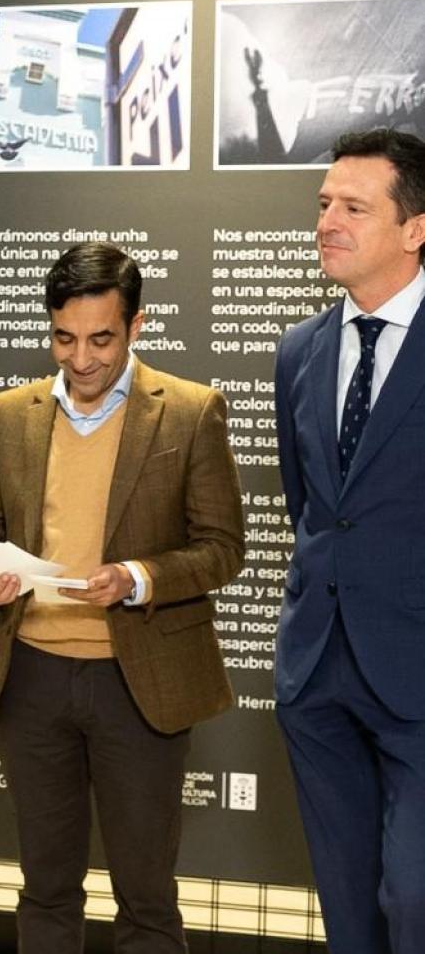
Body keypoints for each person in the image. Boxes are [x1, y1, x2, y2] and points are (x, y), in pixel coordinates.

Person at [0, 242, 243, 953]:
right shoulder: (11, 414)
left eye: (100, 339)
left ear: (136, 326)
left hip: (139, 681)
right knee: (46, 889)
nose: (81, 359)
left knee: (146, 900)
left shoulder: (189, 411)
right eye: (64, 338)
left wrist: (136, 578)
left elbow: (222, 548)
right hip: (33, 678)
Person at [273, 128, 425, 953]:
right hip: (318, 674)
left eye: (354, 207)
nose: (328, 220)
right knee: (348, 912)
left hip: (419, 676)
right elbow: (314, 507)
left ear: (415, 228)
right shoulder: (299, 350)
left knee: (415, 898)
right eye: (325, 204)